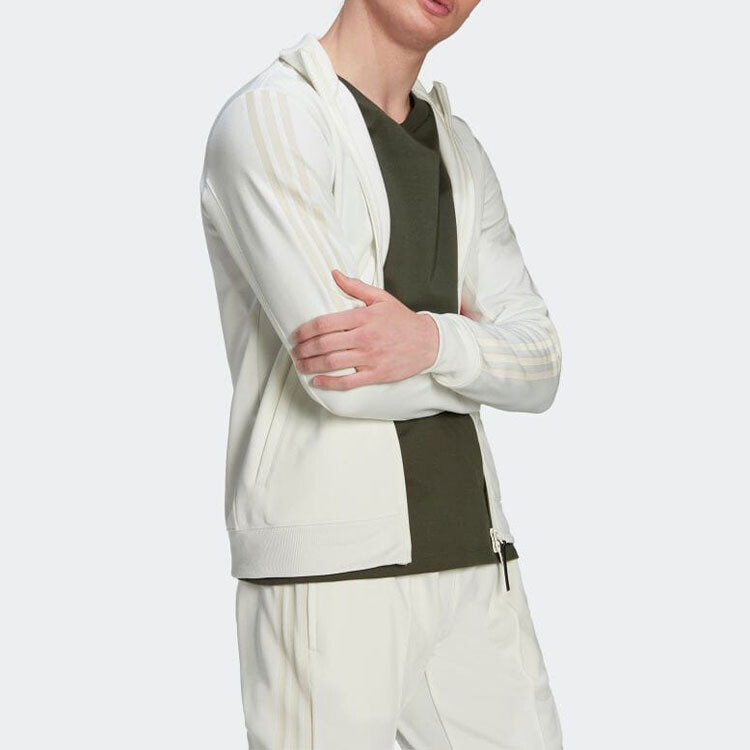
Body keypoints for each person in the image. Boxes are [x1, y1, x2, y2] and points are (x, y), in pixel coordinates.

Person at [199, 0, 564, 747]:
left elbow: (543, 363)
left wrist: (428, 340)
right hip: (329, 575)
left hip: (475, 557)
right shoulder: (273, 121)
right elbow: (342, 371)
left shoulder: (459, 150)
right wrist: (477, 352)